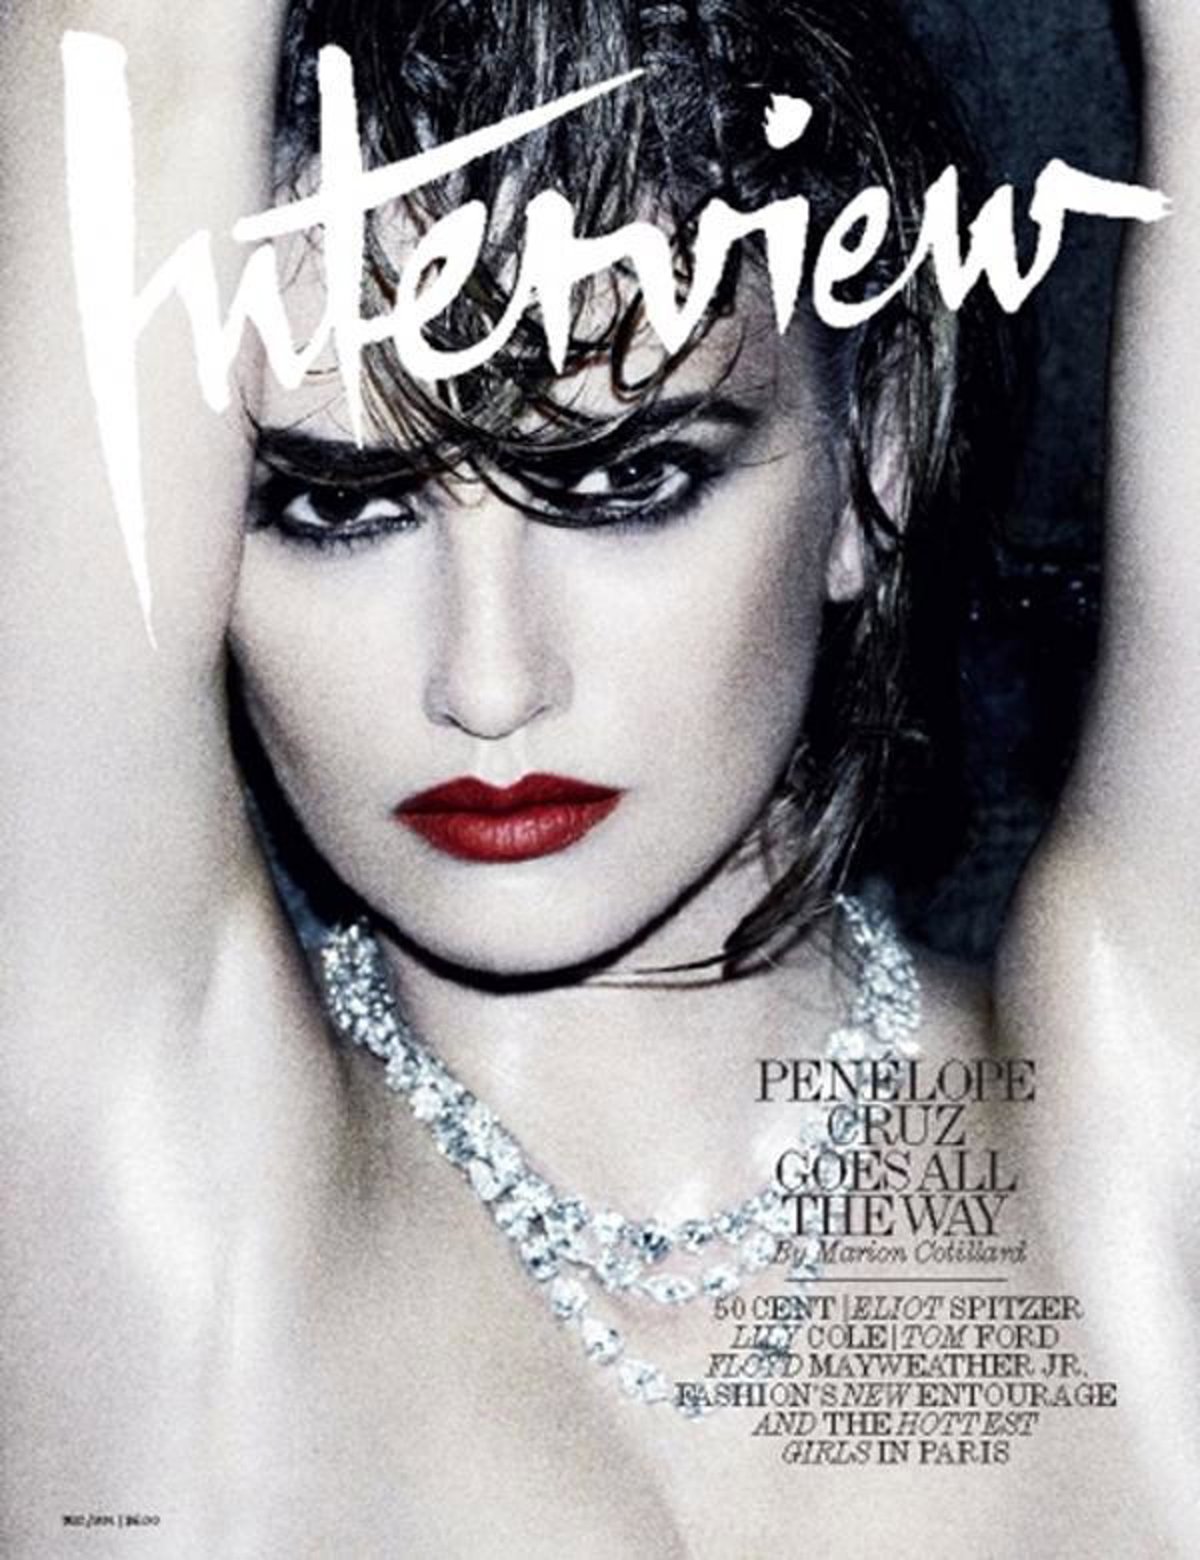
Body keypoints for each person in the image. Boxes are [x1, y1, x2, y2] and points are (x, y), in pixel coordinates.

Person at [1, 1, 1196, 1555]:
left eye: (629, 477)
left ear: (879, 449)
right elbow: (125, 60)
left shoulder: (1141, 1116)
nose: (490, 681)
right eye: (337, 507)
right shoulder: (145, 1188)